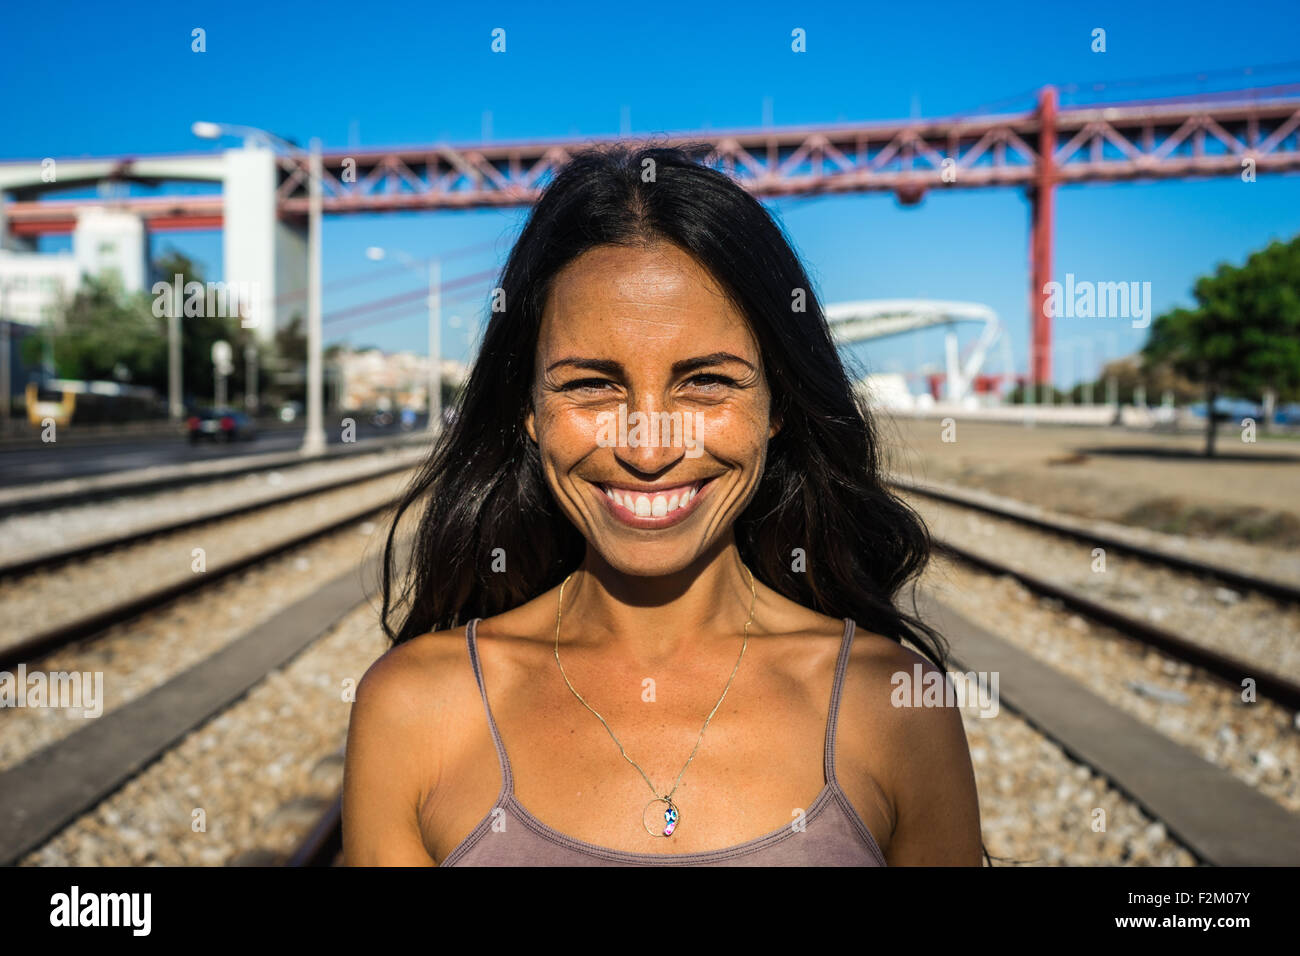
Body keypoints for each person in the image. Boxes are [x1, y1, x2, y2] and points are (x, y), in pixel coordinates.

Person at [343, 144, 985, 866]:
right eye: (590, 385)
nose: (648, 448)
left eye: (707, 382)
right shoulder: (412, 709)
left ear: (778, 405)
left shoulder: (898, 707)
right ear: (528, 408)